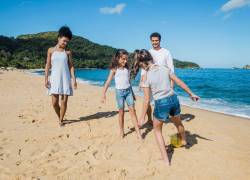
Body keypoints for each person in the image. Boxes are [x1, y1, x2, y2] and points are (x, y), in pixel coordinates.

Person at [134, 49, 200, 165]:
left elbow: (146, 100)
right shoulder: (164, 68)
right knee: (178, 122)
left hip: (161, 103)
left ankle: (165, 160)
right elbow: (178, 82)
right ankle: (184, 141)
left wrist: (142, 117)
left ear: (142, 63)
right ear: (151, 58)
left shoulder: (146, 77)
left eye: (140, 65)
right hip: (173, 99)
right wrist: (191, 93)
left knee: (157, 130)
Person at [102, 49, 142, 140]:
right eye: (123, 59)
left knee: (133, 111)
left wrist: (132, 93)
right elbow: (108, 82)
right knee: (121, 113)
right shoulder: (114, 70)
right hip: (119, 93)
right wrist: (103, 93)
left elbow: (128, 82)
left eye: (126, 59)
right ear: (117, 58)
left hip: (128, 92)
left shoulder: (127, 69)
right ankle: (121, 131)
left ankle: (138, 132)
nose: (125, 61)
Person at [140, 32, 175, 126]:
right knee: (147, 100)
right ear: (150, 41)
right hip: (149, 80)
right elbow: (144, 68)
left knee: (161, 100)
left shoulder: (166, 52)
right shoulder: (149, 52)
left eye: (156, 40)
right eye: (153, 41)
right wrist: (141, 81)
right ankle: (149, 119)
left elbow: (171, 69)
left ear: (160, 40)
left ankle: (160, 118)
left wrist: (172, 85)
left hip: (164, 81)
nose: (155, 42)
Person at [45, 26, 77, 127]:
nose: (65, 43)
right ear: (59, 38)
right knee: (54, 103)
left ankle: (61, 120)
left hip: (65, 79)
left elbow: (71, 66)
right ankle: (60, 116)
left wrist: (74, 79)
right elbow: (48, 65)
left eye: (67, 42)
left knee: (64, 101)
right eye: (64, 41)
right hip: (54, 79)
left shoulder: (67, 53)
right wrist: (46, 78)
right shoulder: (50, 50)